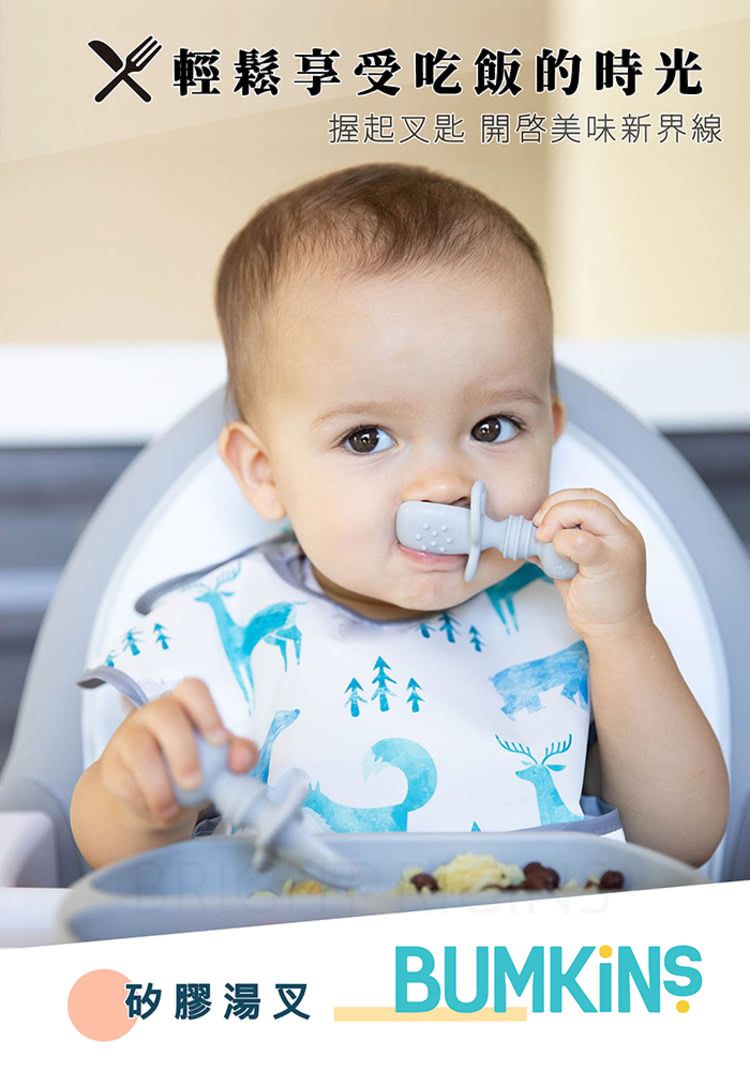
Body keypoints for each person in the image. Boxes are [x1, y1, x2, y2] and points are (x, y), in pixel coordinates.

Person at [70, 162, 729, 871]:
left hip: (534, 972)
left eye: (494, 426)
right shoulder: (223, 630)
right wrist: (139, 802)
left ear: (550, 431)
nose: (445, 483)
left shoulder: (570, 616)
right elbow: (106, 857)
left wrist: (621, 629)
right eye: (366, 438)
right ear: (265, 474)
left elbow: (683, 838)